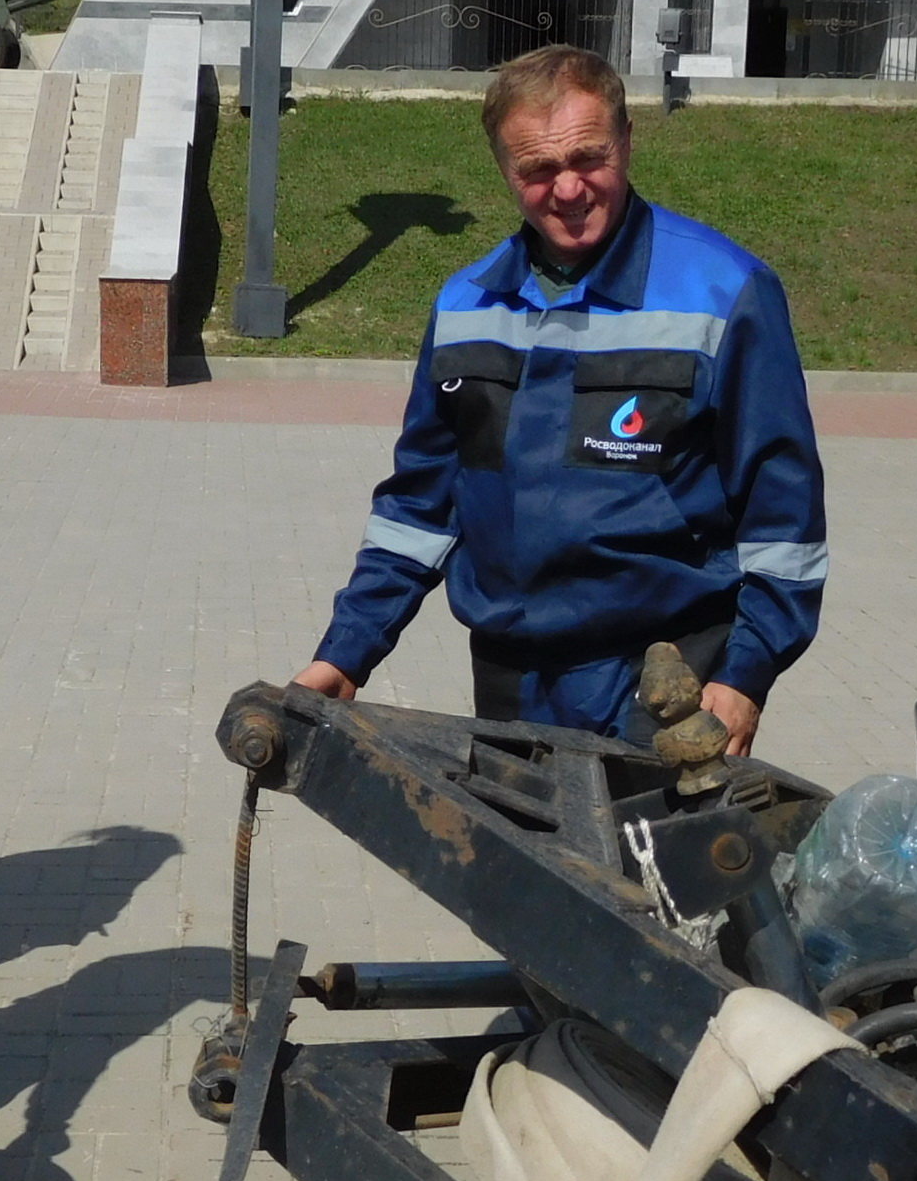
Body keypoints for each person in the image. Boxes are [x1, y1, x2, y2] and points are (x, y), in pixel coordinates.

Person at [292, 45, 828, 752]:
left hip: (669, 679)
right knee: (528, 862)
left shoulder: (725, 292)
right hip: (513, 677)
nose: (568, 189)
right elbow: (420, 508)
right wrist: (345, 651)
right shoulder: (466, 306)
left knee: (644, 866)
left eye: (588, 158)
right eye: (538, 169)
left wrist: (747, 672)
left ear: (628, 140)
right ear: (506, 172)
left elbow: (783, 513)